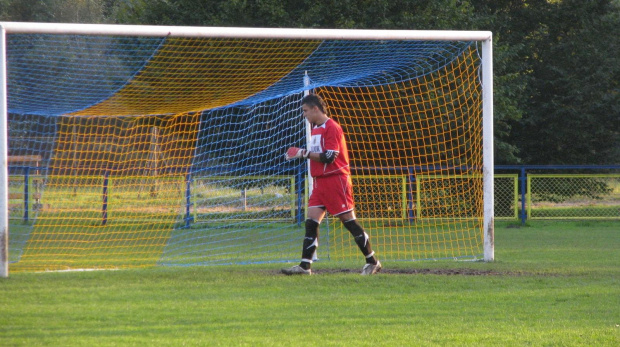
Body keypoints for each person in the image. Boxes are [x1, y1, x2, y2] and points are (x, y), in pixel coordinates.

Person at [282, 94, 382, 275]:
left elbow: (330, 156)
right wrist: (300, 154)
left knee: (349, 222)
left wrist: (302, 153)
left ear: (315, 109)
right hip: (320, 183)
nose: (304, 115)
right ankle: (305, 266)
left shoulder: (332, 127)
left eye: (305, 111)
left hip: (336, 180)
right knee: (311, 222)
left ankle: (373, 261)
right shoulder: (315, 128)